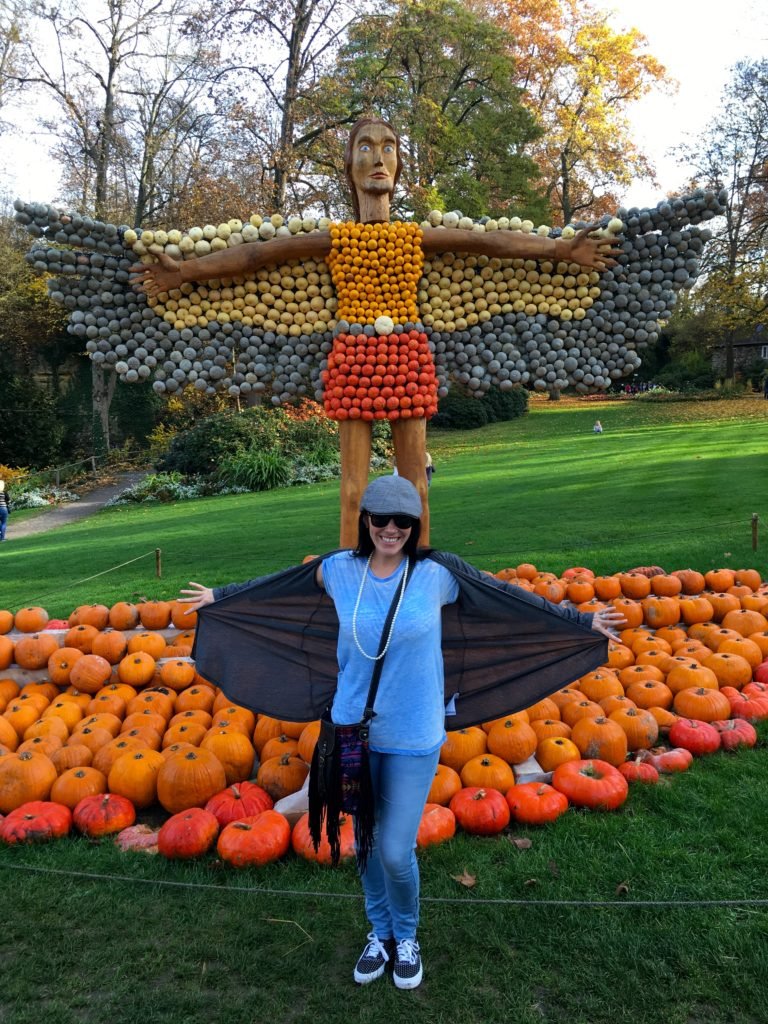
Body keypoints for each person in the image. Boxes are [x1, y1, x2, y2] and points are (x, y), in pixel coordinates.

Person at [179, 475, 625, 990]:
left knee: (395, 849)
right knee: (366, 841)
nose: (390, 529)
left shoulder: (437, 574)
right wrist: (221, 597)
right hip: (351, 731)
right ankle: (380, 932)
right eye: (381, 519)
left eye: (402, 521)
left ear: (414, 525)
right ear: (365, 520)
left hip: (414, 733)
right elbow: (281, 586)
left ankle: (407, 936)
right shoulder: (338, 570)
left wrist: (578, 621)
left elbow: (506, 599)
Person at [131, 117, 621, 548]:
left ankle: (419, 565)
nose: (378, 158)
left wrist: (560, 251)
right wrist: (187, 271)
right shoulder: (336, 238)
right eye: (365, 147)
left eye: (389, 147)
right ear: (350, 165)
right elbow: (257, 255)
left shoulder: (412, 236)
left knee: (416, 483)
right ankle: (350, 566)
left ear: (399, 165)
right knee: (352, 487)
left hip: (407, 355)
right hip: (353, 356)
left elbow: (490, 243)